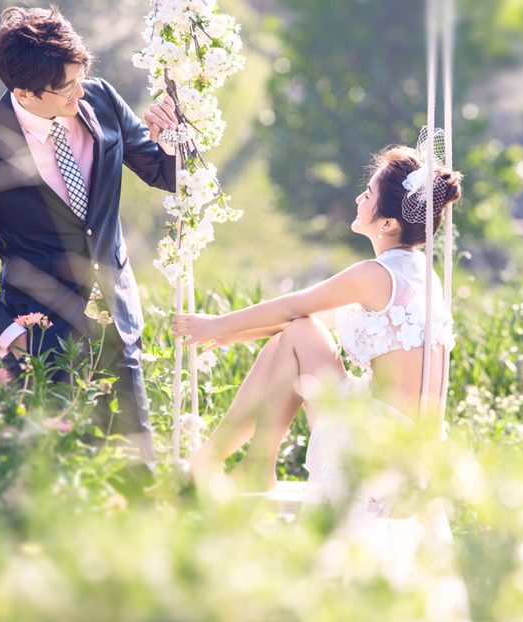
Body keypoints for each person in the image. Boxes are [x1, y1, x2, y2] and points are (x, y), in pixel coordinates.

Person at [0, 6, 181, 475]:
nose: (80, 92)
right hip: (42, 345)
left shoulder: (102, 99)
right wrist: (9, 334)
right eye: (66, 87)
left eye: (81, 76)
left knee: (138, 476)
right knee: (55, 486)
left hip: (117, 327)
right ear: (23, 90)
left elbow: (165, 176)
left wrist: (168, 140)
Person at [171, 143, 462, 493]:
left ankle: (247, 465)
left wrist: (217, 324)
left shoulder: (373, 275)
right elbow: (312, 318)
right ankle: (215, 461)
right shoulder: (418, 274)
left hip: (376, 448)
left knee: (298, 330)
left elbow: (296, 308)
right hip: (407, 445)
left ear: (387, 222)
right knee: (287, 338)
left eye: (368, 194)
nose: (358, 199)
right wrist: (235, 334)